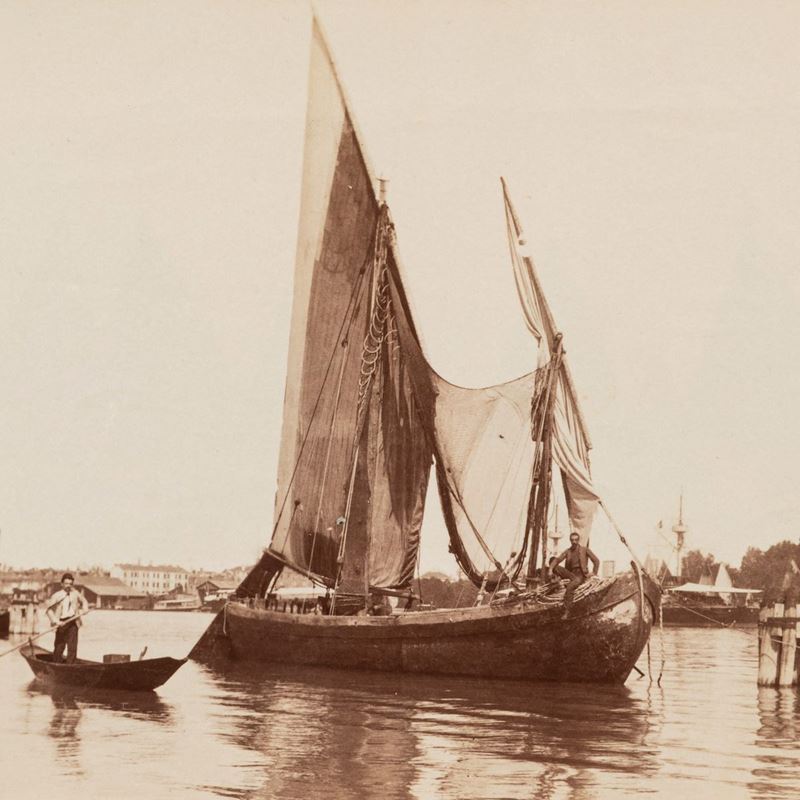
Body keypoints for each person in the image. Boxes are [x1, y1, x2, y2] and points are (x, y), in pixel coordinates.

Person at [45, 573, 89, 663]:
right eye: (66, 583)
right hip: (61, 623)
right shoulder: (56, 595)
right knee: (59, 647)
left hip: (73, 622)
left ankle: (70, 666)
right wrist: (56, 621)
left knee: (72, 647)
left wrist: (85, 608)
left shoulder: (75, 593)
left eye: (70, 584)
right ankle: (56, 664)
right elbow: (49, 611)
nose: (68, 586)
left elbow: (84, 601)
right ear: (62, 584)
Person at [551, 532, 600, 607]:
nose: (574, 542)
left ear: (578, 540)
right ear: (570, 540)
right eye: (572, 540)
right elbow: (557, 560)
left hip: (580, 574)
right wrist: (550, 569)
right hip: (571, 574)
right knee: (555, 566)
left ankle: (567, 608)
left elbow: (596, 561)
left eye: (576, 540)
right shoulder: (568, 551)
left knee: (570, 586)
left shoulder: (584, 549)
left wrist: (594, 573)